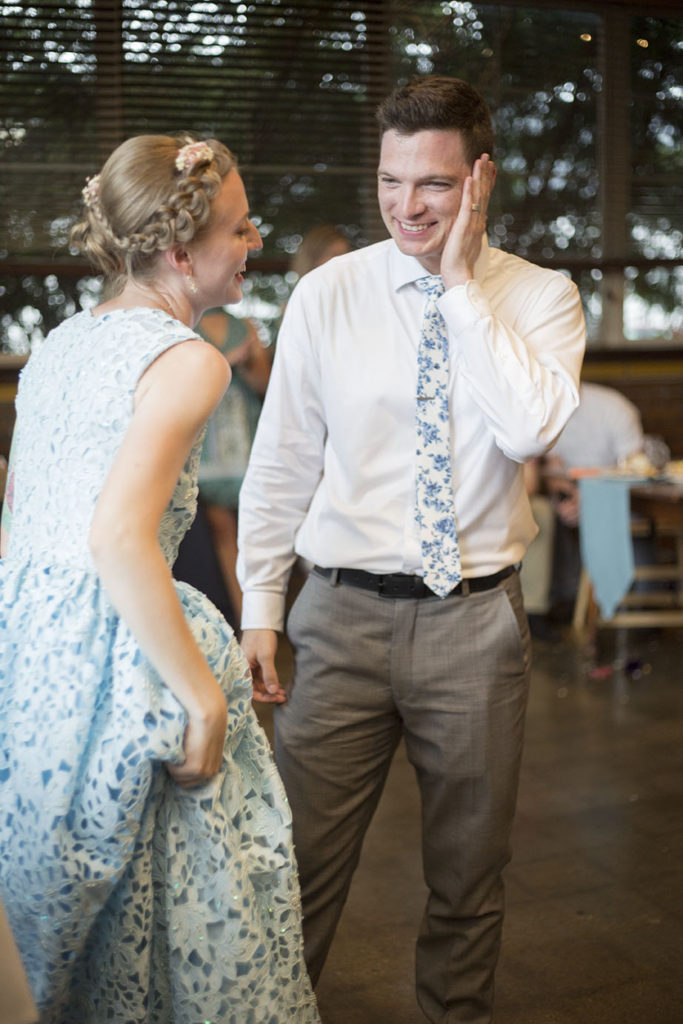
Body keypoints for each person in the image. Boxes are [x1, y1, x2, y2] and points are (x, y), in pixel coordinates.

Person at [237, 75, 586, 1023]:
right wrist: (260, 607)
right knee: (294, 862)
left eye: (432, 184)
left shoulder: (543, 299)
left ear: (480, 179)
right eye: (390, 181)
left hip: (474, 626)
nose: (405, 206)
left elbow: (527, 430)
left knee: (469, 874)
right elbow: (282, 462)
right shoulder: (326, 296)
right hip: (337, 617)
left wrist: (461, 289)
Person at [0, 133, 319, 1024]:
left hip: (27, 645)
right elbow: (117, 538)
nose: (255, 239)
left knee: (52, 914)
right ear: (181, 252)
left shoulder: (61, 344)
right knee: (184, 908)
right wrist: (204, 699)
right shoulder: (190, 360)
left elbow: (19, 518)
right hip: (116, 646)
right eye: (241, 227)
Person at [521, 381, 647, 628]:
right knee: (552, 517)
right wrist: (565, 499)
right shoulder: (539, 412)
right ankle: (562, 606)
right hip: (569, 495)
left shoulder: (613, 407)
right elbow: (552, 470)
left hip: (618, 496)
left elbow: (636, 469)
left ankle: (636, 607)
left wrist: (590, 500)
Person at [174, 308, 272, 626]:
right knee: (223, 533)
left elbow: (265, 382)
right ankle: (244, 621)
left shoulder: (245, 327)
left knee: (255, 535)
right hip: (208, 445)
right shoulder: (182, 328)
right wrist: (225, 363)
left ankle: (264, 618)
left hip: (244, 437)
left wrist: (247, 363)